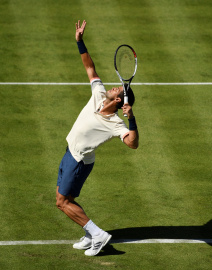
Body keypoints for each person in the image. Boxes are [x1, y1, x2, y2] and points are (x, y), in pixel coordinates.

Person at [56, 20, 139, 256]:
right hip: (70, 152)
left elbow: (132, 143)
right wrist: (80, 41)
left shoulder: (115, 123)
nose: (113, 87)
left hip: (79, 161)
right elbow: (90, 68)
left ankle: (98, 234)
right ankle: (90, 234)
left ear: (119, 101)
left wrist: (131, 119)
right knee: (65, 197)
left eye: (117, 90)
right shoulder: (99, 93)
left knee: (62, 202)